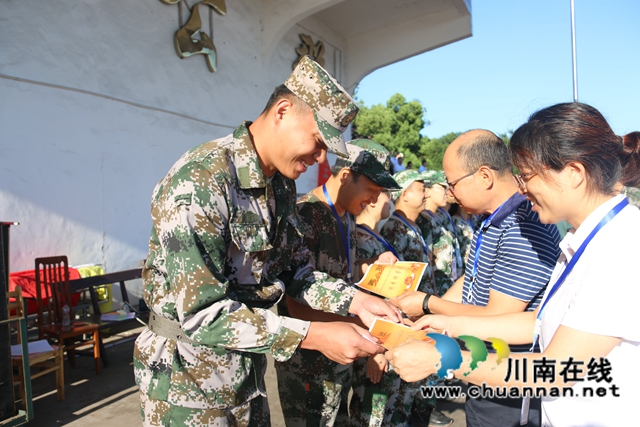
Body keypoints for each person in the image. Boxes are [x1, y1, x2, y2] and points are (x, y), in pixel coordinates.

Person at [133, 56, 402, 427]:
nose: (321, 157)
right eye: (318, 141)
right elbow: (200, 313)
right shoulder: (202, 180)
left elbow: (294, 270)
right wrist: (313, 334)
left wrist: (357, 300)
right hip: (187, 385)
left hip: (246, 376)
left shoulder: (280, 185)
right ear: (283, 111)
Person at [387, 102, 640, 427]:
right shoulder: (583, 240)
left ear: (574, 173)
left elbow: (558, 370)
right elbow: (538, 321)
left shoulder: (620, 247)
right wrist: (452, 325)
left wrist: (444, 359)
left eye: (528, 176)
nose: (522, 188)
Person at [391, 130, 561, 427]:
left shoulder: (523, 226)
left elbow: (499, 316)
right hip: (482, 366)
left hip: (508, 381)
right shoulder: (494, 220)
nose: (450, 193)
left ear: (484, 177)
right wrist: (433, 311)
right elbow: (471, 280)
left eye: (453, 183)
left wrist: (429, 305)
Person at [275, 139, 400, 427]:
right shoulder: (305, 215)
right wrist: (364, 325)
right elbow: (296, 306)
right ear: (345, 177)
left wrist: (372, 270)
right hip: (308, 366)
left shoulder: (344, 216)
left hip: (340, 361)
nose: (373, 200)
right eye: (371, 190)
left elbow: (341, 274)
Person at [417, 170, 463, 296]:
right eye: (443, 187)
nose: (447, 192)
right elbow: (428, 260)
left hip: (449, 284)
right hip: (436, 290)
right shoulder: (424, 220)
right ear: (427, 190)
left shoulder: (441, 215)